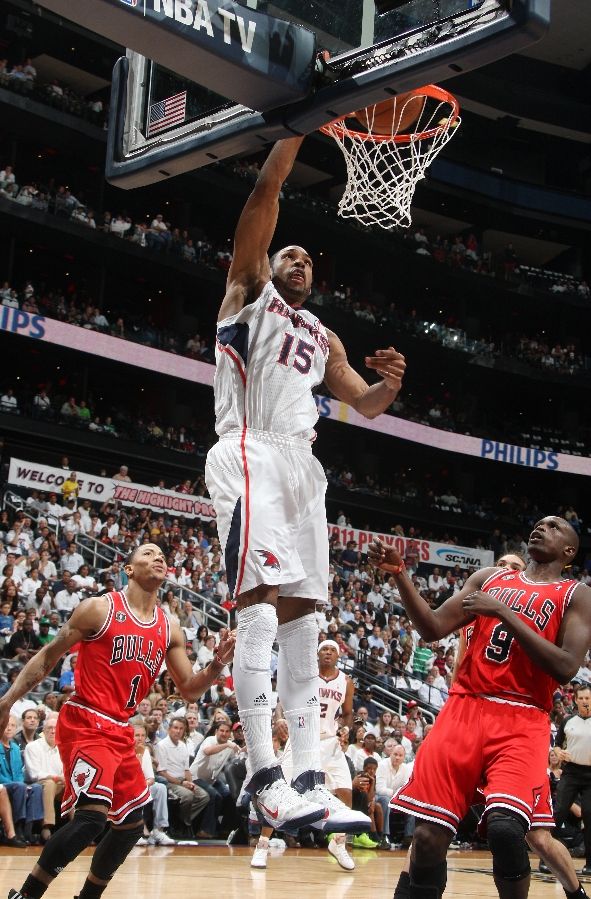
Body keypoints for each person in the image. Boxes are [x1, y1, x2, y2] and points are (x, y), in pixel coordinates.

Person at [204, 136, 405, 833]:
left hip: (301, 465)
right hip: (250, 448)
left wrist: (388, 384)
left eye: (308, 259)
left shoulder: (323, 336)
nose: (298, 261)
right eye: (289, 252)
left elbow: (364, 402)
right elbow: (263, 198)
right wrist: (296, 129)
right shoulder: (246, 290)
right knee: (257, 605)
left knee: (303, 615)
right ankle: (263, 774)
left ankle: (309, 775)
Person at [369, 516, 591, 899]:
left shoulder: (576, 594)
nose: (541, 528)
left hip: (523, 715)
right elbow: (434, 627)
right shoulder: (489, 578)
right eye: (539, 524)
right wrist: (400, 574)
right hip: (465, 707)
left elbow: (566, 666)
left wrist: (504, 612)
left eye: (554, 527)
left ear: (569, 551)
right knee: (426, 836)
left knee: (507, 829)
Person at [0, 544, 235, 899]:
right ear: (128, 568)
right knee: (91, 818)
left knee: (130, 827)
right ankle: (28, 894)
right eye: (148, 553)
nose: (159, 558)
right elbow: (49, 656)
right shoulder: (99, 608)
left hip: (121, 729)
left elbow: (188, 689)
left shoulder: (169, 627)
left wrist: (216, 665)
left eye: (162, 556)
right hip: (86, 719)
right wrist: (7, 701)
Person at [553, 683, 591, 874]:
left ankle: (590, 864)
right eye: (582, 698)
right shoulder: (569, 721)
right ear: (576, 700)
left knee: (590, 815)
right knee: (558, 812)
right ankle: (547, 859)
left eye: (588, 698)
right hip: (571, 772)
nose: (585, 701)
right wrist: (559, 753)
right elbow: (557, 745)